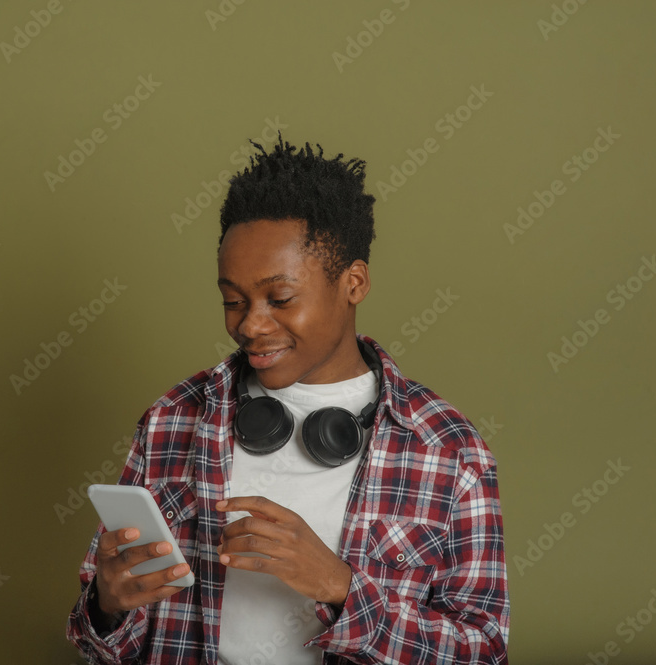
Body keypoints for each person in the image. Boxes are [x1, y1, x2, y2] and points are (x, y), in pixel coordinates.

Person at [66, 135, 510, 664]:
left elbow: (483, 652)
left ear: (354, 283)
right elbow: (98, 641)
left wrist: (340, 587)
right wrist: (107, 607)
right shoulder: (171, 420)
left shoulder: (448, 449)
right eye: (233, 300)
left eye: (280, 298)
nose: (251, 325)